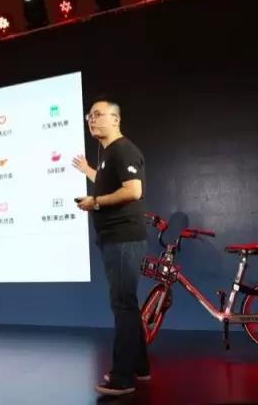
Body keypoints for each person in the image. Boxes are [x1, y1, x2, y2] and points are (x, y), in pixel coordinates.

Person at [73, 97, 149, 396]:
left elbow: (133, 190)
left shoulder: (123, 149)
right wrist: (88, 170)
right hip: (114, 239)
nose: (91, 120)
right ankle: (141, 367)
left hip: (123, 238)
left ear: (115, 119)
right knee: (127, 303)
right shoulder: (109, 154)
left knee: (123, 305)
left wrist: (95, 202)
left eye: (98, 114)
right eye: (89, 116)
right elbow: (107, 182)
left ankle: (122, 378)